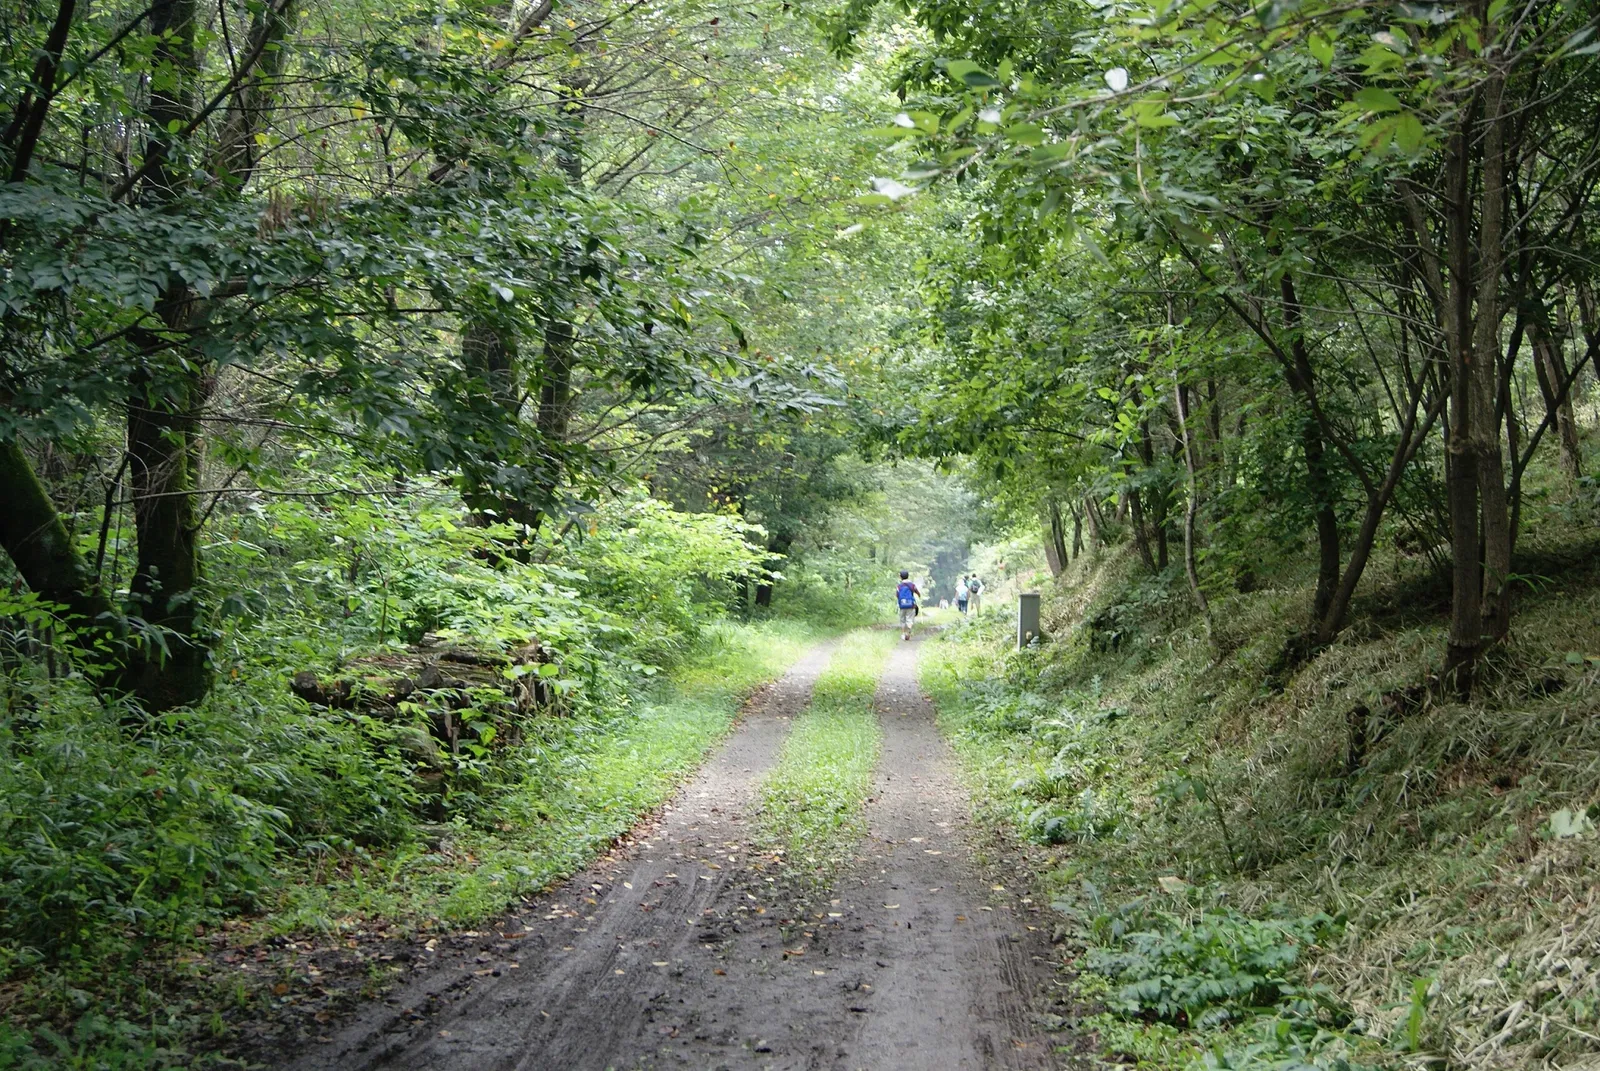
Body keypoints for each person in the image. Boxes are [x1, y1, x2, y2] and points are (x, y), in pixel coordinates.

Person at [895, 570, 921, 641]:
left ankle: (903, 634)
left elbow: (897, 595)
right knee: (909, 619)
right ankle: (908, 631)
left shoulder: (899, 586)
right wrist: (919, 596)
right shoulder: (912, 585)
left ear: (901, 577)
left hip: (902, 605)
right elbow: (917, 592)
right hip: (911, 605)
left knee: (902, 620)